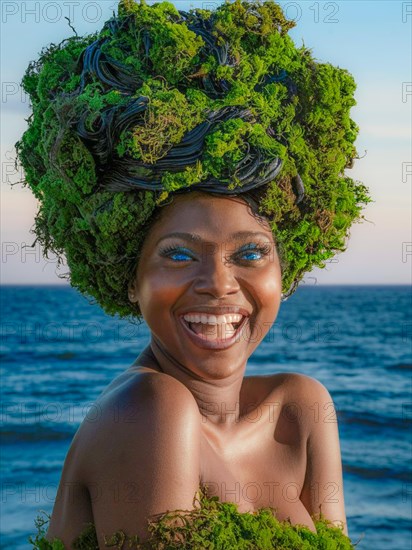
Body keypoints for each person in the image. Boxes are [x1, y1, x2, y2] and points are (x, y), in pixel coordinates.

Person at [16, 0, 371, 546]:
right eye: (180, 254)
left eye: (250, 253)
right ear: (128, 277)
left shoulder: (301, 413)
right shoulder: (150, 412)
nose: (220, 283)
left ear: (288, 265)